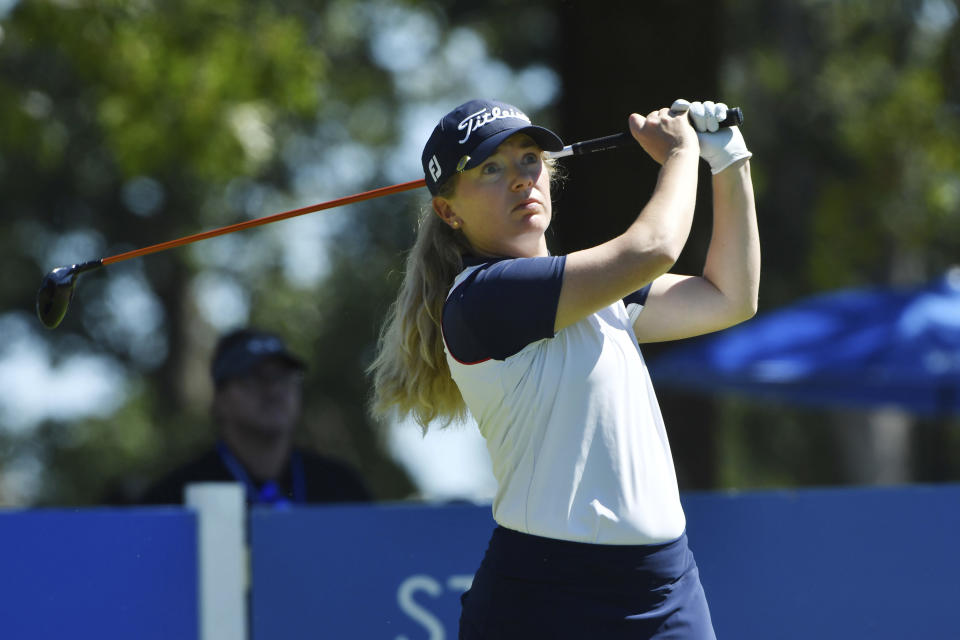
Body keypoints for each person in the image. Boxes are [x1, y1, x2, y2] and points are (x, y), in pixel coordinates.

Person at [369, 98, 757, 638]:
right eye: (489, 169)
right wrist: (680, 152)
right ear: (448, 211)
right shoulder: (482, 298)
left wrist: (730, 160)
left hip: (666, 588)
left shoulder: (598, 292)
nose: (520, 180)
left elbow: (729, 297)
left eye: (529, 160)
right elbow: (655, 248)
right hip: (545, 600)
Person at [140, 327, 371, 506]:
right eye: (252, 378)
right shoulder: (176, 496)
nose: (273, 390)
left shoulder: (342, 488)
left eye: (284, 377)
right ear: (219, 399)